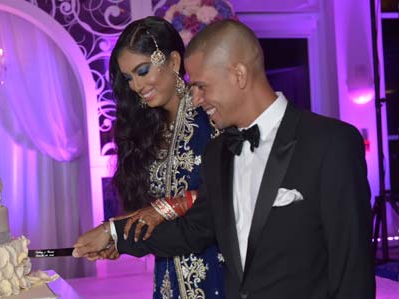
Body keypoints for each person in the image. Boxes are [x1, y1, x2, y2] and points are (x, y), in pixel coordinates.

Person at [73, 20, 375, 299]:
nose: (198, 99)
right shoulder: (221, 153)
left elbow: (352, 270)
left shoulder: (330, 143)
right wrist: (115, 236)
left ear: (239, 74)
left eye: (201, 86)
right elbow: (195, 230)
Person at [90, 16, 225, 299]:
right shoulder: (149, 132)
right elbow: (150, 209)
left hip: (217, 270)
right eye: (129, 78)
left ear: (174, 62)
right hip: (168, 276)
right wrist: (118, 235)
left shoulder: (211, 116)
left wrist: (121, 228)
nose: (136, 86)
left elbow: (230, 192)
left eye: (142, 71)